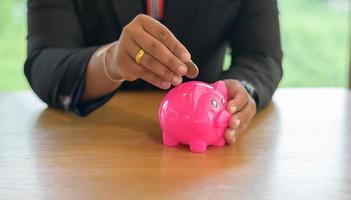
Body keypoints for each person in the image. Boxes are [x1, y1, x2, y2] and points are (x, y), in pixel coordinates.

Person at [24, 0, 283, 144]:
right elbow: (44, 61)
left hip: (204, 152)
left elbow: (260, 54)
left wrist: (239, 90)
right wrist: (110, 62)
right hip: (94, 146)